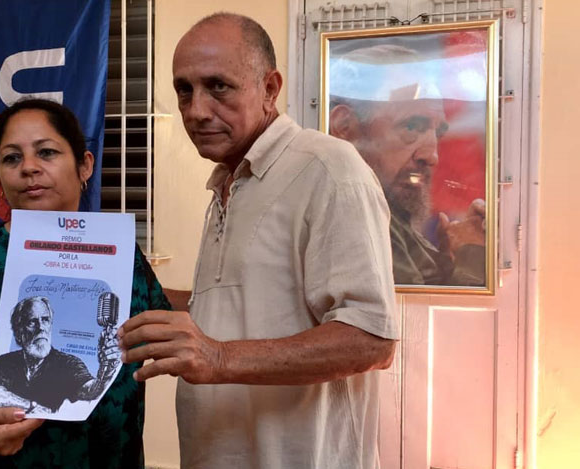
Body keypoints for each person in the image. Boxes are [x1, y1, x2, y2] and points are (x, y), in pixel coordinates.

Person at [119, 13, 398, 469]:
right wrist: (131, 299)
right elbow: (248, 305)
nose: (196, 110)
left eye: (218, 87)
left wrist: (218, 357)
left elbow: (371, 339)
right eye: (184, 90)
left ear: (270, 88)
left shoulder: (328, 169)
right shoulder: (228, 182)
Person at [0, 98, 171, 467]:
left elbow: (157, 328)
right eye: (12, 157)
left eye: (46, 152)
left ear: (84, 165)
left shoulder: (120, 252)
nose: (28, 168)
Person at [327, 44, 486, 286]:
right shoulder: (356, 217)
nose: (432, 156)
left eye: (438, 133)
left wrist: (447, 259)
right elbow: (417, 320)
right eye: (411, 127)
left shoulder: (386, 213)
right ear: (344, 127)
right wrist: (472, 254)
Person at [0, 296, 116, 413]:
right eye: (32, 321)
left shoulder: (68, 363)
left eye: (45, 320)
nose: (41, 327)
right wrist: (35, 408)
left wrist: (108, 368)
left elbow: (92, 391)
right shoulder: (5, 362)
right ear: (19, 333)